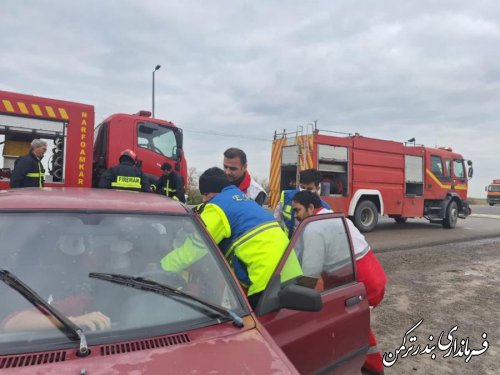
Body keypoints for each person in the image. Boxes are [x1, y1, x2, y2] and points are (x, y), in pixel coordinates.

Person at [160, 167, 301, 307]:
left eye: (205, 194)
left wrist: (163, 268)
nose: (203, 199)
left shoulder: (216, 207)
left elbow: (194, 248)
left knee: (253, 324)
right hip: (290, 270)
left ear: (210, 192)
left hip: (265, 279)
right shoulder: (244, 199)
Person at [292, 190, 387, 375]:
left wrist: (296, 302)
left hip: (361, 280)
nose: (296, 216)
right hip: (373, 275)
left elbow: (310, 275)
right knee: (352, 323)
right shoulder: (329, 215)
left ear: (311, 208)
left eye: (298, 210)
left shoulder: (314, 226)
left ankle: (373, 368)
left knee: (349, 324)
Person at [274, 168, 330, 237]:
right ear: (299, 185)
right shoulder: (286, 197)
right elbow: (275, 223)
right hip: (288, 245)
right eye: (302, 187)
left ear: (317, 189)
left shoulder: (324, 209)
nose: (305, 191)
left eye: (309, 189)